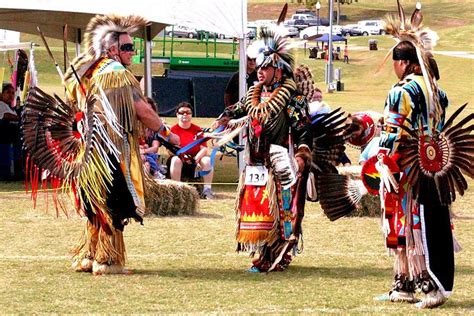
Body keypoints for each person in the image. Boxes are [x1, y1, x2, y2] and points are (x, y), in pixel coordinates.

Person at [373, 3, 471, 308]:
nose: (394, 67)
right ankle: (402, 284)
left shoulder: (402, 91)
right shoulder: (435, 90)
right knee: (424, 220)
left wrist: (381, 159)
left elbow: (395, 132)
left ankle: (427, 286)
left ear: (404, 63)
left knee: (408, 223)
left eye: (395, 61)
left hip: (406, 167)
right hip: (432, 167)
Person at [62, 14, 167, 275]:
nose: (133, 52)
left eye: (134, 47)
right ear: (112, 49)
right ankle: (108, 261)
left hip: (88, 152)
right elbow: (141, 109)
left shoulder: (88, 71)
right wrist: (166, 132)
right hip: (110, 152)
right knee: (114, 203)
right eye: (128, 47)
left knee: (95, 204)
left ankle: (90, 255)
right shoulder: (116, 73)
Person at [215, 29, 313, 272]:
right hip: (255, 162)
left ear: (278, 69)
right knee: (259, 207)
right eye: (258, 66)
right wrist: (221, 121)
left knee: (281, 208)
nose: (259, 71)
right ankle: (262, 252)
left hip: (278, 162)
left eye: (265, 67)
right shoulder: (254, 95)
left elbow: (302, 128)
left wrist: (301, 156)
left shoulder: (292, 98)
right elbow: (238, 110)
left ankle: (278, 253)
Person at [168, 101, 214, 199]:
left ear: (191, 115)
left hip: (195, 159)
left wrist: (196, 159)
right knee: (175, 159)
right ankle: (177, 189)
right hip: (180, 158)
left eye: (188, 112)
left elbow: (204, 149)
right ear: (177, 115)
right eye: (181, 112)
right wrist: (182, 157)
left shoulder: (197, 130)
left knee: (207, 160)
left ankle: (207, 190)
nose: (185, 115)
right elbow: (170, 150)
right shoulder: (173, 130)